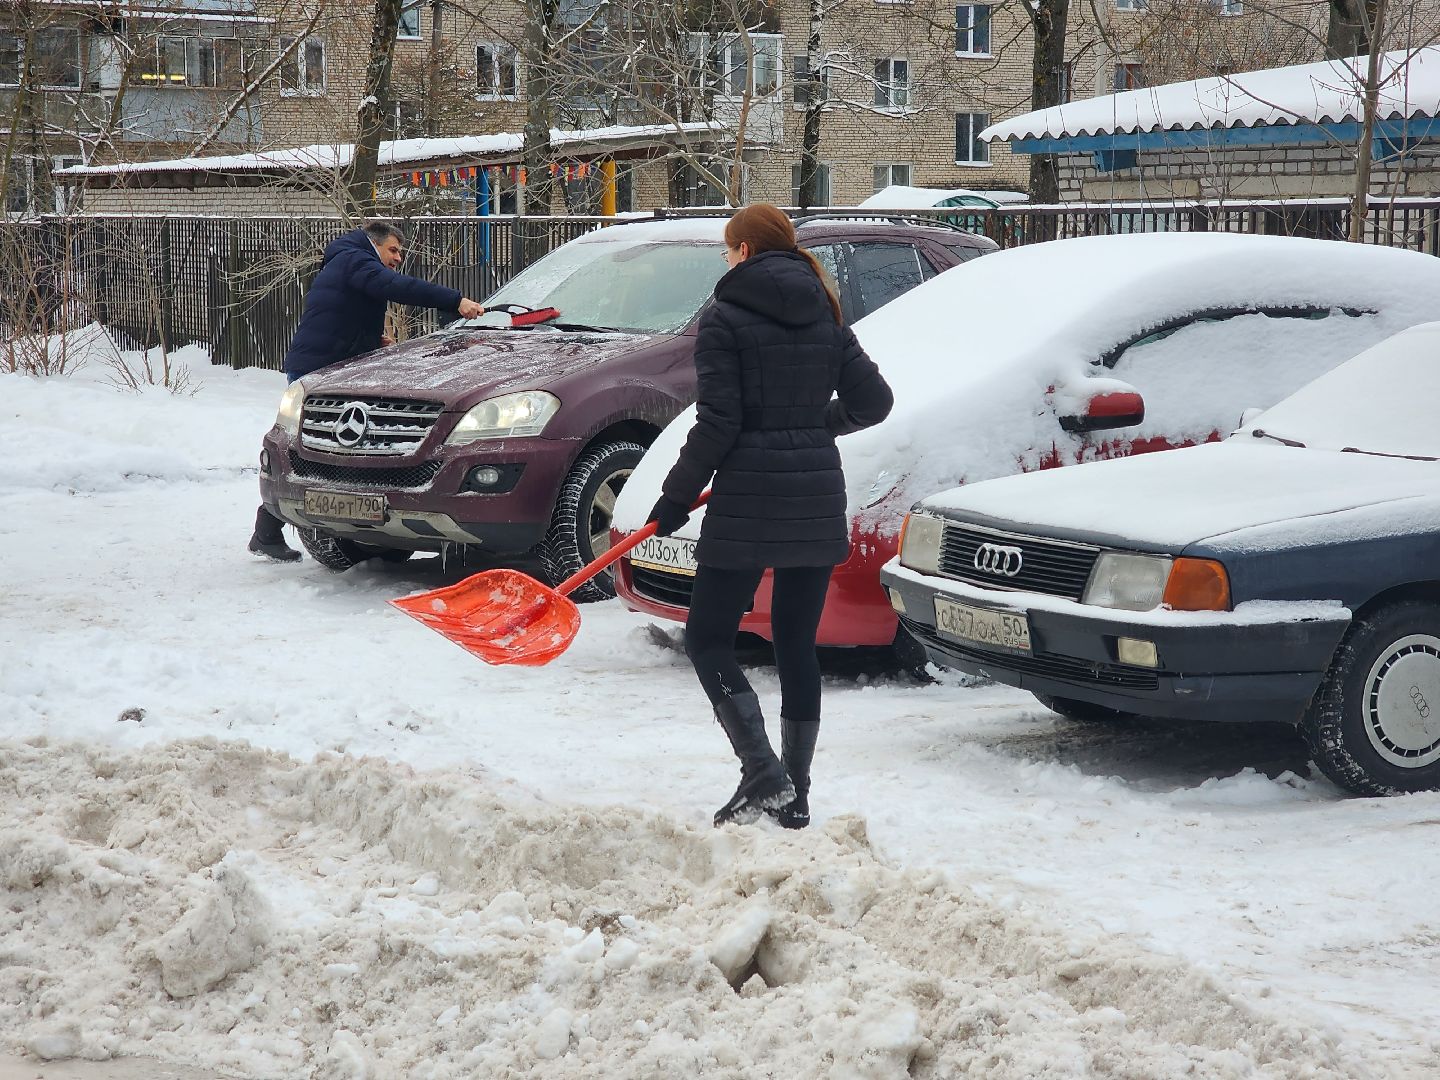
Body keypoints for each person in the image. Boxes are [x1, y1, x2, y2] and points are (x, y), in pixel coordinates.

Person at [647, 204, 894, 829]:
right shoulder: (826, 313)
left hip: (749, 499)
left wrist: (675, 497)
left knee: (707, 637)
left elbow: (719, 423)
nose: (727, 260)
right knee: (794, 642)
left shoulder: (725, 317)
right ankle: (796, 793)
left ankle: (762, 771)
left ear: (745, 251)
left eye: (729, 250)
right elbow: (875, 401)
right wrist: (814, 428)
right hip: (814, 497)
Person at [248, 221, 486, 561]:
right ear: (373, 244)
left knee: (322, 451)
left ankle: (274, 532)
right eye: (393, 250)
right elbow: (394, 286)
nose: (398, 258)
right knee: (315, 452)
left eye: (400, 252)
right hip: (320, 371)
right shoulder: (355, 259)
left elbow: (339, 314)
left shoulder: (345, 259)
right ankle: (270, 530)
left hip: (324, 364)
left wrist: (370, 341)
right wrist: (455, 300)